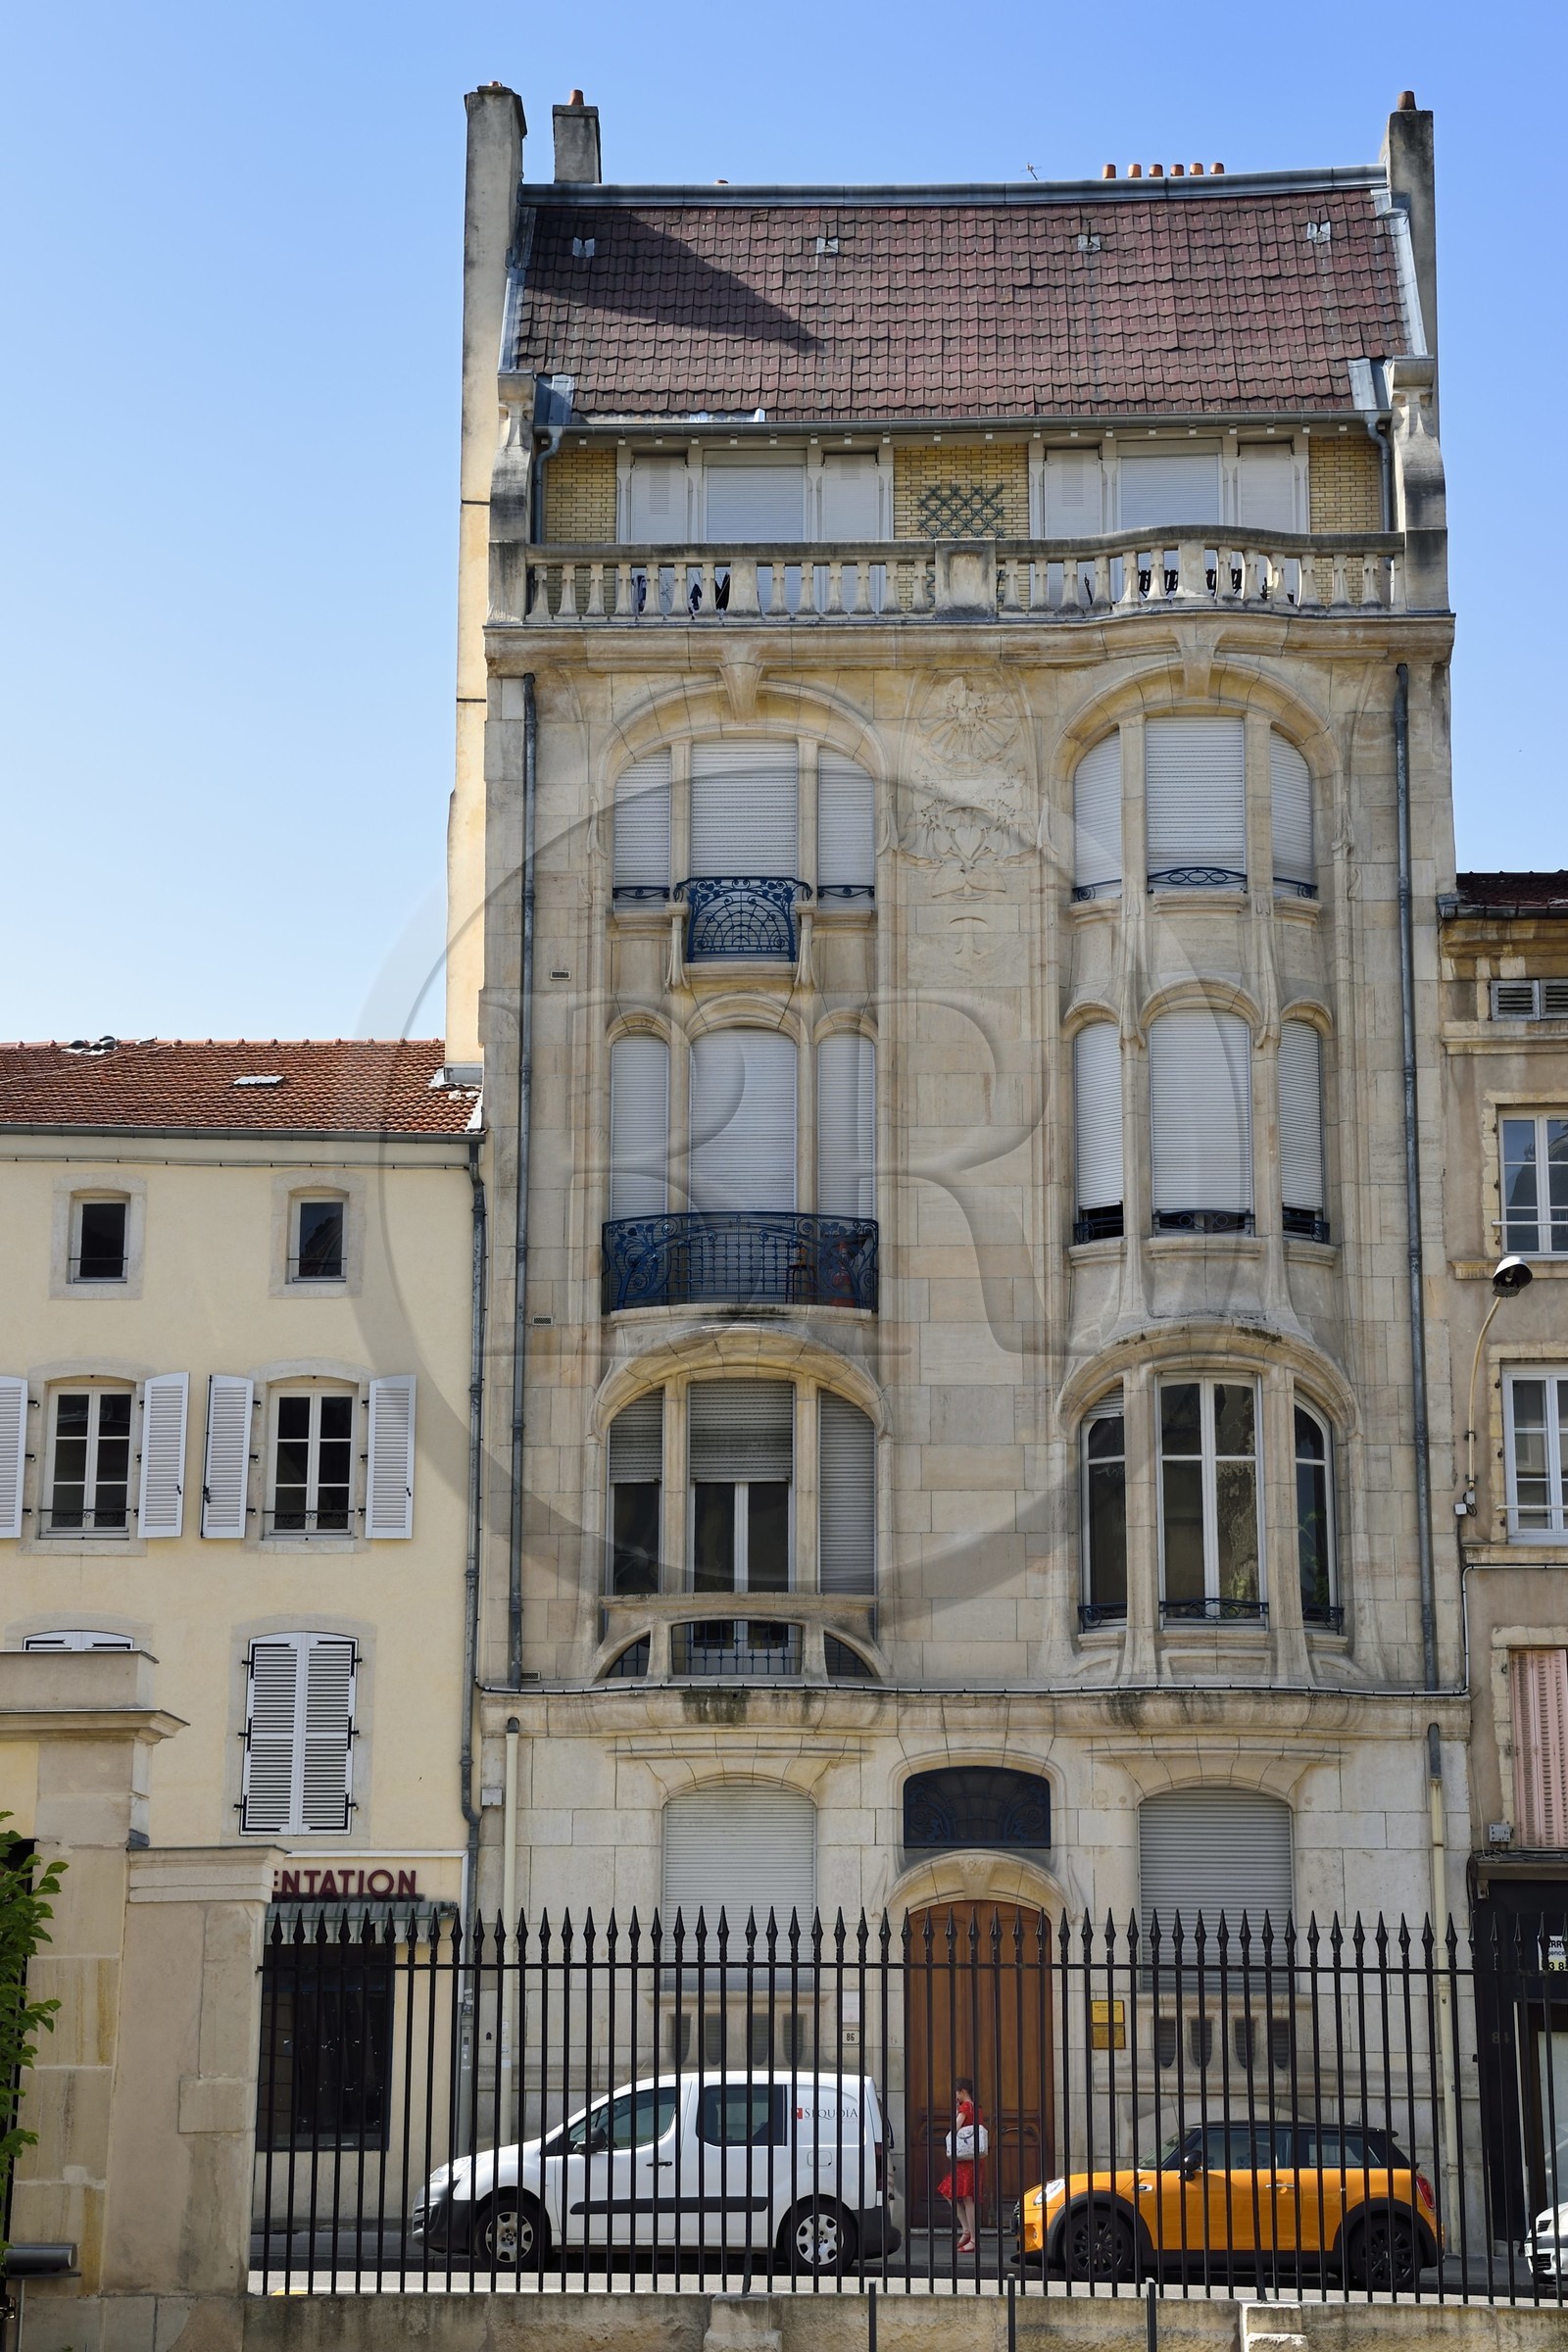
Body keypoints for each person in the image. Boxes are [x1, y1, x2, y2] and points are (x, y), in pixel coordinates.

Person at [937, 2076, 985, 2254]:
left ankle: (972, 2237)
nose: (955, 2096)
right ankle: (967, 2231)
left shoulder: (965, 2107)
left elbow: (955, 2128)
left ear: (962, 2092)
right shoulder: (977, 2109)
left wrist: (957, 2113)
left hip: (966, 2160)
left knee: (967, 2198)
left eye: (957, 2093)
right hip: (973, 2158)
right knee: (956, 2193)